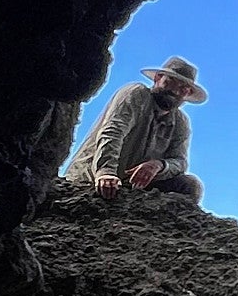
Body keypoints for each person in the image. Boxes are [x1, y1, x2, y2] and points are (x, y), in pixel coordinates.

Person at [64, 56, 207, 204]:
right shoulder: (137, 94)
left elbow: (180, 161)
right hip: (92, 178)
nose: (176, 91)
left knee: (190, 186)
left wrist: (159, 165)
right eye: (171, 82)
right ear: (158, 78)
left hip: (134, 188)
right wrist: (105, 172)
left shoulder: (180, 122)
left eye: (183, 89)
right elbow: (113, 131)